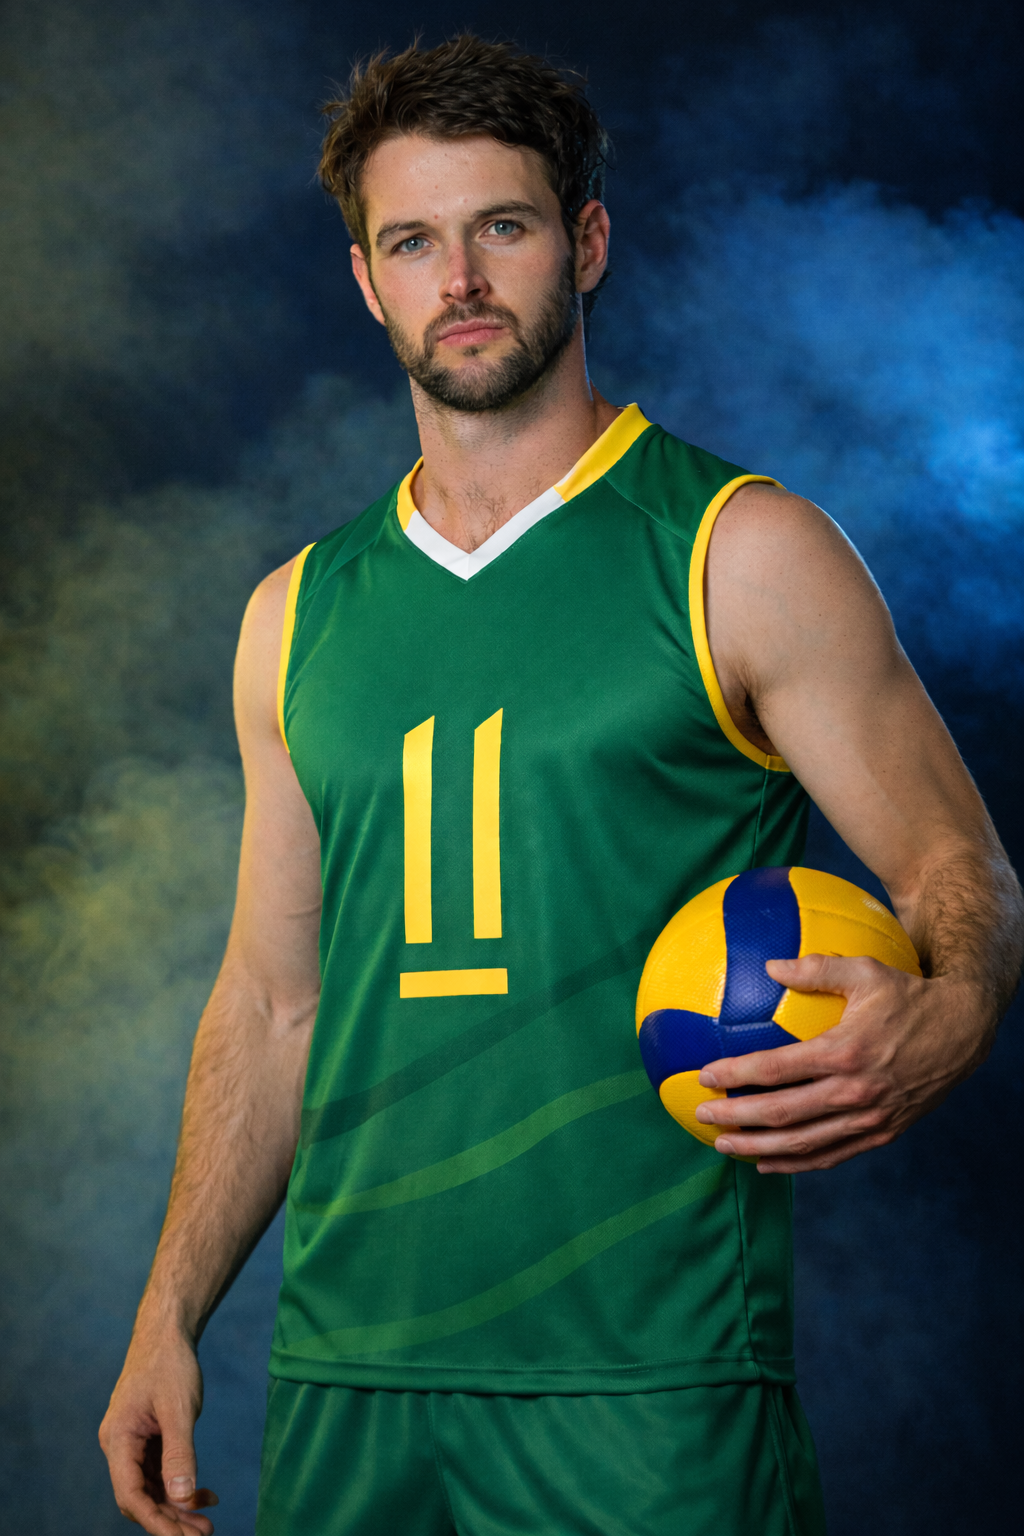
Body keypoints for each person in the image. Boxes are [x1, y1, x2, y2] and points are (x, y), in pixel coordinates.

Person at [99, 34, 1023, 1536]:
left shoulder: (742, 552)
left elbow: (958, 872)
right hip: (353, 1385)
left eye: (503, 228)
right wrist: (165, 1316)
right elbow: (271, 1006)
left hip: (650, 1384)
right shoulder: (294, 615)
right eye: (415, 241)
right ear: (367, 281)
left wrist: (957, 1004)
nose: (459, 278)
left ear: (583, 244)